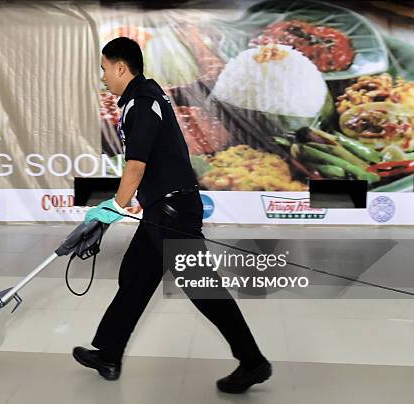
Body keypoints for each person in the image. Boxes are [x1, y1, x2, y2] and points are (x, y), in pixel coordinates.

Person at [72, 37, 272, 394]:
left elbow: (136, 165)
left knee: (202, 287)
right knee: (135, 276)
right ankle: (109, 353)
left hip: (172, 211)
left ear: (121, 67)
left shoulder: (142, 101)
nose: (102, 77)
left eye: (104, 69)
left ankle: (252, 361)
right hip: (162, 209)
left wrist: (115, 208)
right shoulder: (145, 96)